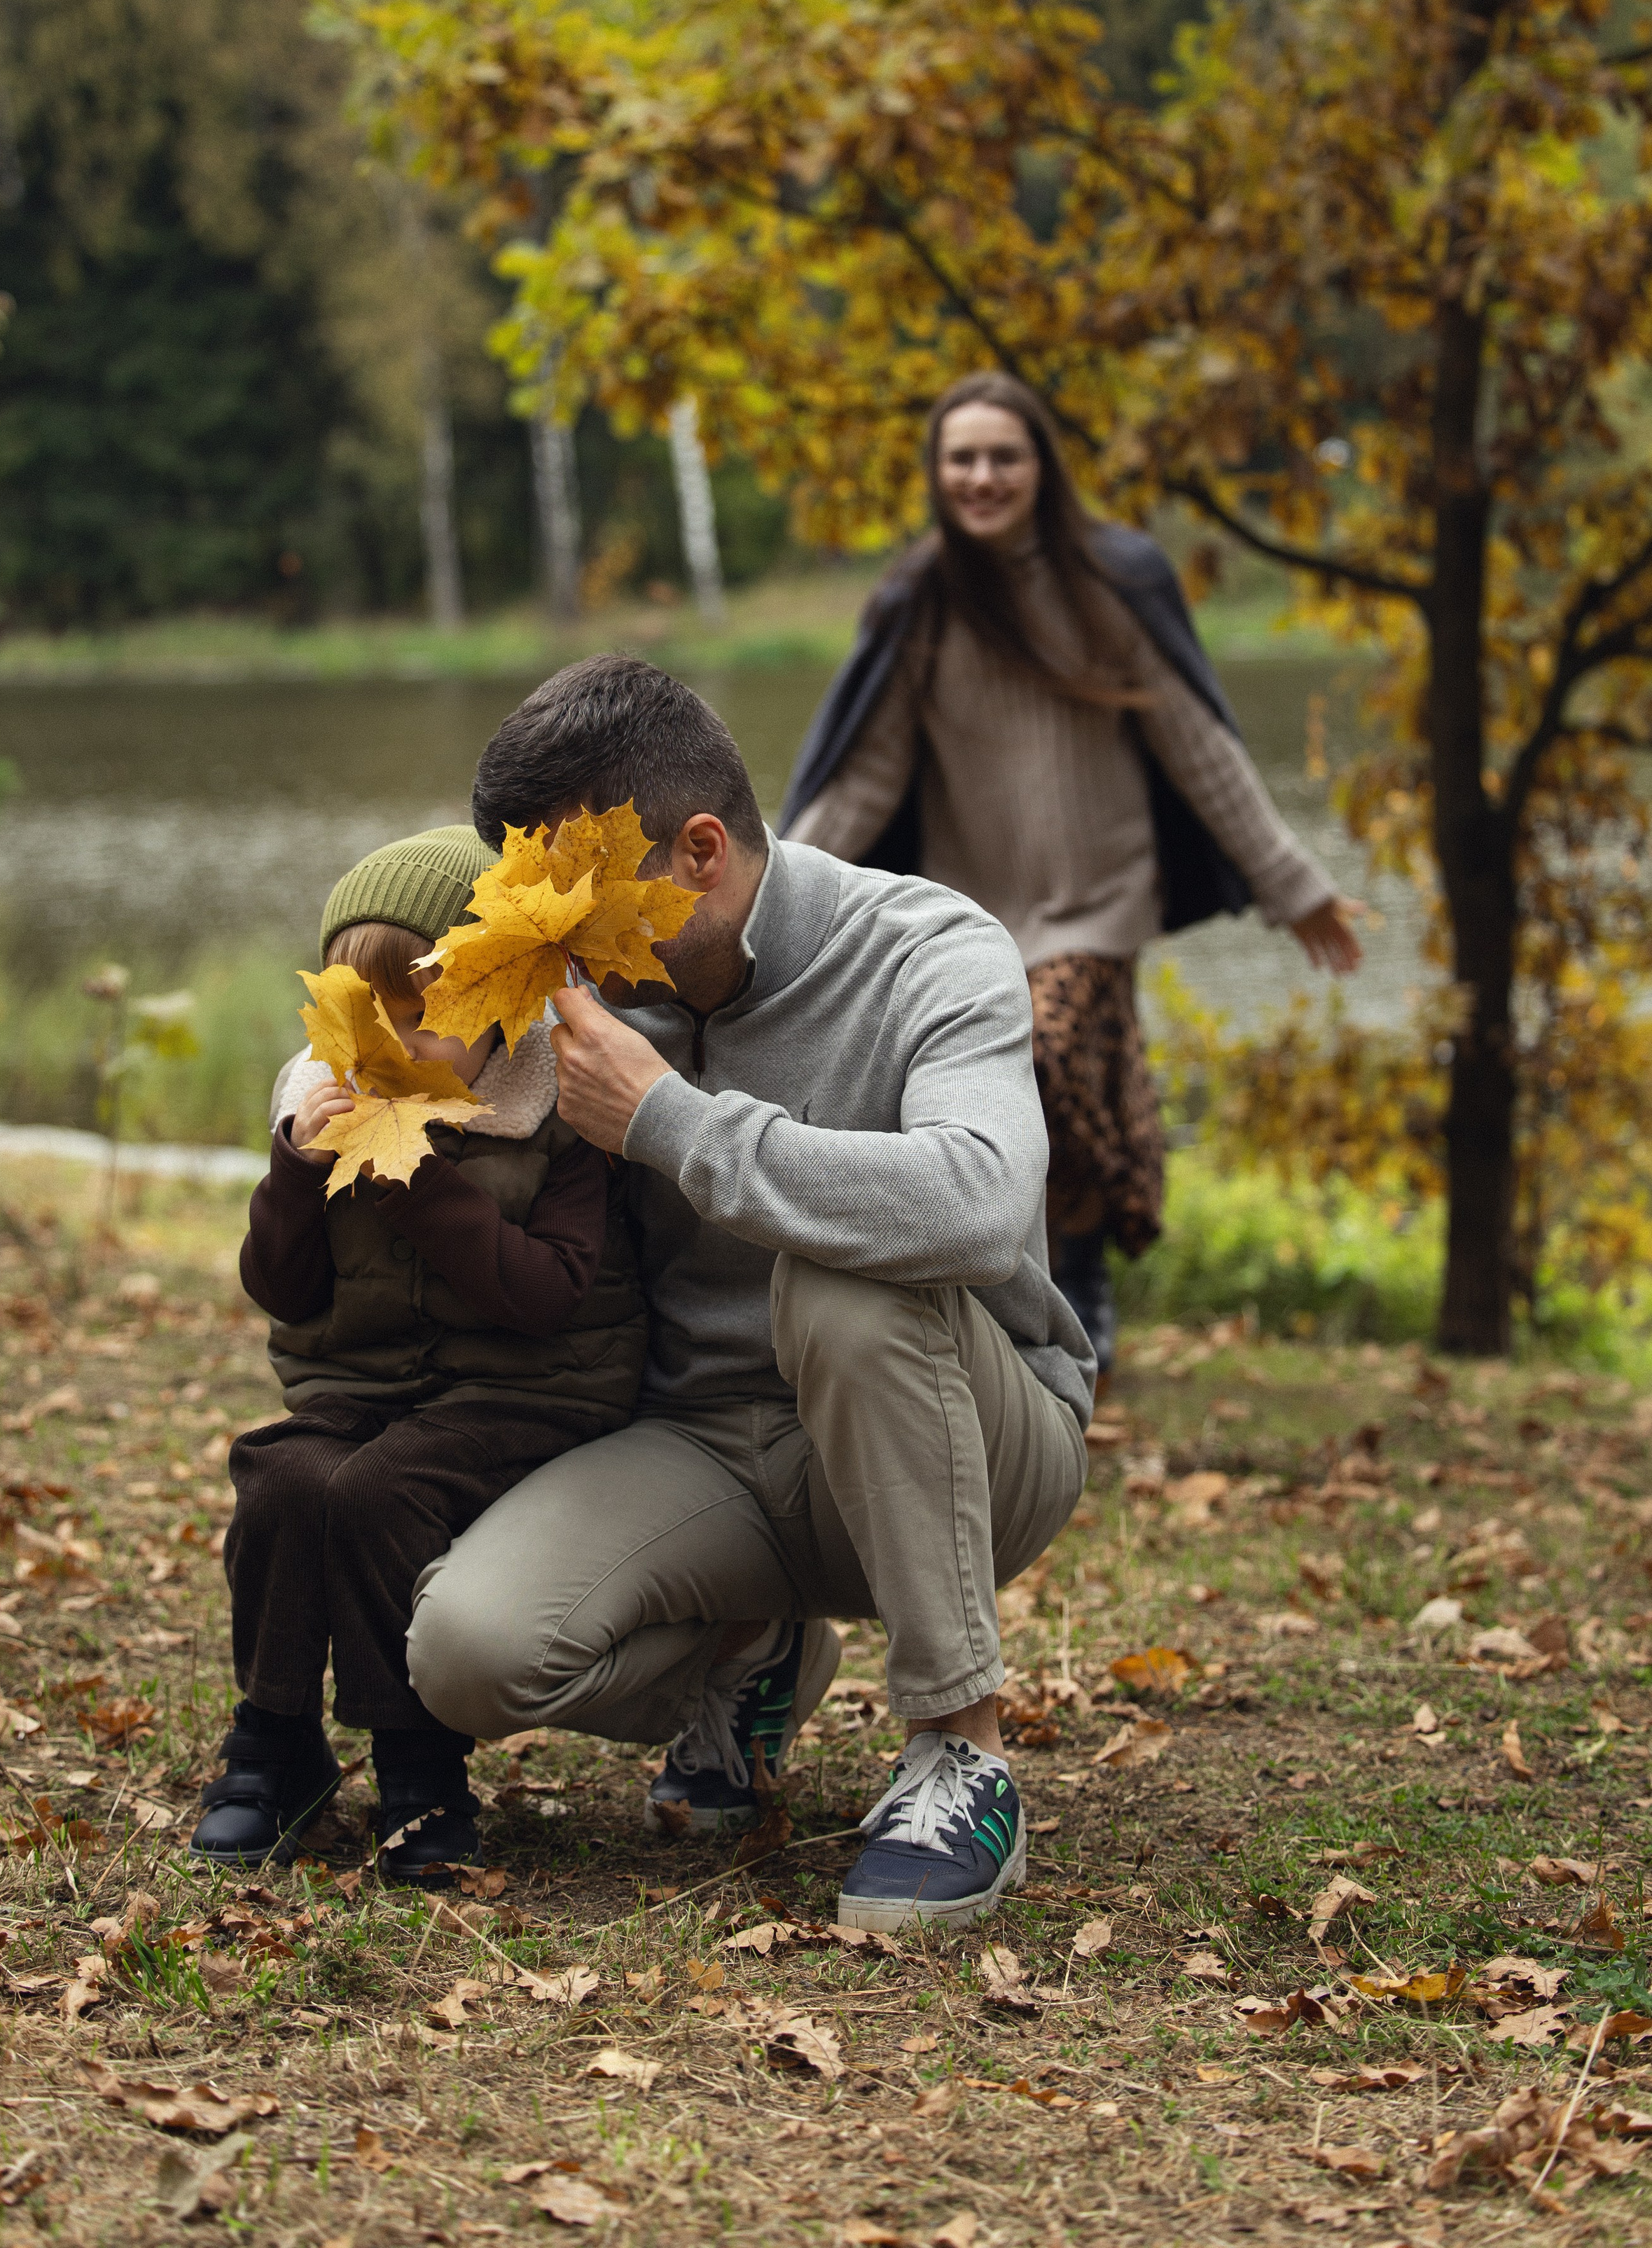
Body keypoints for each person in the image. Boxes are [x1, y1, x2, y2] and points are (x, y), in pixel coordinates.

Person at [405, 659, 1095, 1931]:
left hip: (974, 1434)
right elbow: (390, 1043)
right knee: (466, 1651)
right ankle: (754, 1652)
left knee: (846, 1285)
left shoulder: (931, 948)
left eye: (581, 902)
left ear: (701, 852)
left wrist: (672, 1122)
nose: (562, 946)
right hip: (711, 1446)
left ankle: (961, 1752)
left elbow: (984, 1203)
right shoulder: (592, 992)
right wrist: (319, 1095)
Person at [782, 371, 1361, 1382]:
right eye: (962, 458)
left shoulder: (1113, 579)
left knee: (1046, 1062)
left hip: (1100, 901)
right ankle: (1034, 1286)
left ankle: (1078, 1278)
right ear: (937, 474)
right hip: (974, 915)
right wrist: (771, 892)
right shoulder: (922, 602)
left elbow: (1199, 746)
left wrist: (1293, 884)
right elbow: (866, 776)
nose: (983, 476)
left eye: (1004, 456)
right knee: (1009, 1095)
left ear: (1042, 466)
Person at [192, 824, 645, 1878]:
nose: (396, 1045)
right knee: (283, 1479)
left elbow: (546, 1294)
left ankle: (419, 1763)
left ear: (505, 1001)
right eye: (371, 1017)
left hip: (528, 1387)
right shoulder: (323, 1102)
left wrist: (414, 1177)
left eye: (429, 1017)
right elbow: (282, 1288)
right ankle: (274, 1739)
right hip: (361, 1384)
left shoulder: (558, 1109)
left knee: (381, 1489)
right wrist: (298, 1169)